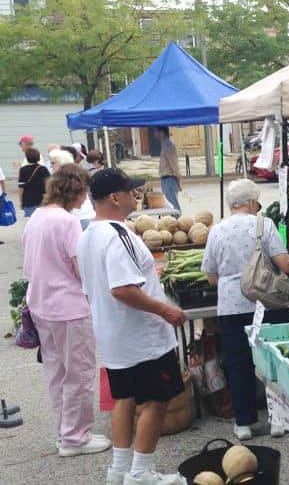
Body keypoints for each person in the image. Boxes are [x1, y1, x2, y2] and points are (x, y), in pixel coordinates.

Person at [77, 168, 187, 485]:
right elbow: (123, 289)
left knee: (124, 400)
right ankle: (141, 473)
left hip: (114, 338)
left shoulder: (87, 236)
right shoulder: (117, 234)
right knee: (156, 401)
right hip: (142, 338)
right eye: (130, 191)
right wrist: (165, 310)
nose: (134, 196)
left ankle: (120, 470)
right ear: (115, 197)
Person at [201, 178, 289, 441]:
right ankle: (278, 420)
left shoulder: (216, 230)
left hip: (231, 307)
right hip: (266, 303)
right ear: (249, 202)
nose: (257, 207)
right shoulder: (264, 224)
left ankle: (244, 423)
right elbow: (284, 264)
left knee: (238, 364)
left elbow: (211, 277)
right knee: (273, 361)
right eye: (256, 202)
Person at [21, 164, 111, 458]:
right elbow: (79, 266)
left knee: (57, 374)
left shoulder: (37, 218)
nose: (85, 199)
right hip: (69, 307)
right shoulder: (67, 222)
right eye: (84, 193)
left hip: (41, 304)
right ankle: (75, 437)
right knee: (79, 373)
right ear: (76, 191)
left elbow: (29, 264)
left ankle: (65, 432)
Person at [154, 127, 181, 213]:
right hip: (165, 179)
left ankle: (178, 223)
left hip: (170, 179)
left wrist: (179, 180)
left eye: (156, 131)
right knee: (169, 205)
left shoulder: (168, 145)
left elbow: (174, 164)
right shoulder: (164, 144)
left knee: (173, 205)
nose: (154, 134)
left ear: (161, 133)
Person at [17, 148, 50, 218]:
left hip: (28, 201)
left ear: (27, 158)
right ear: (38, 157)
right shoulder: (43, 169)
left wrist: (21, 201)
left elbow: (21, 187)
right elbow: (48, 184)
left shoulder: (23, 170)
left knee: (32, 222)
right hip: (42, 200)